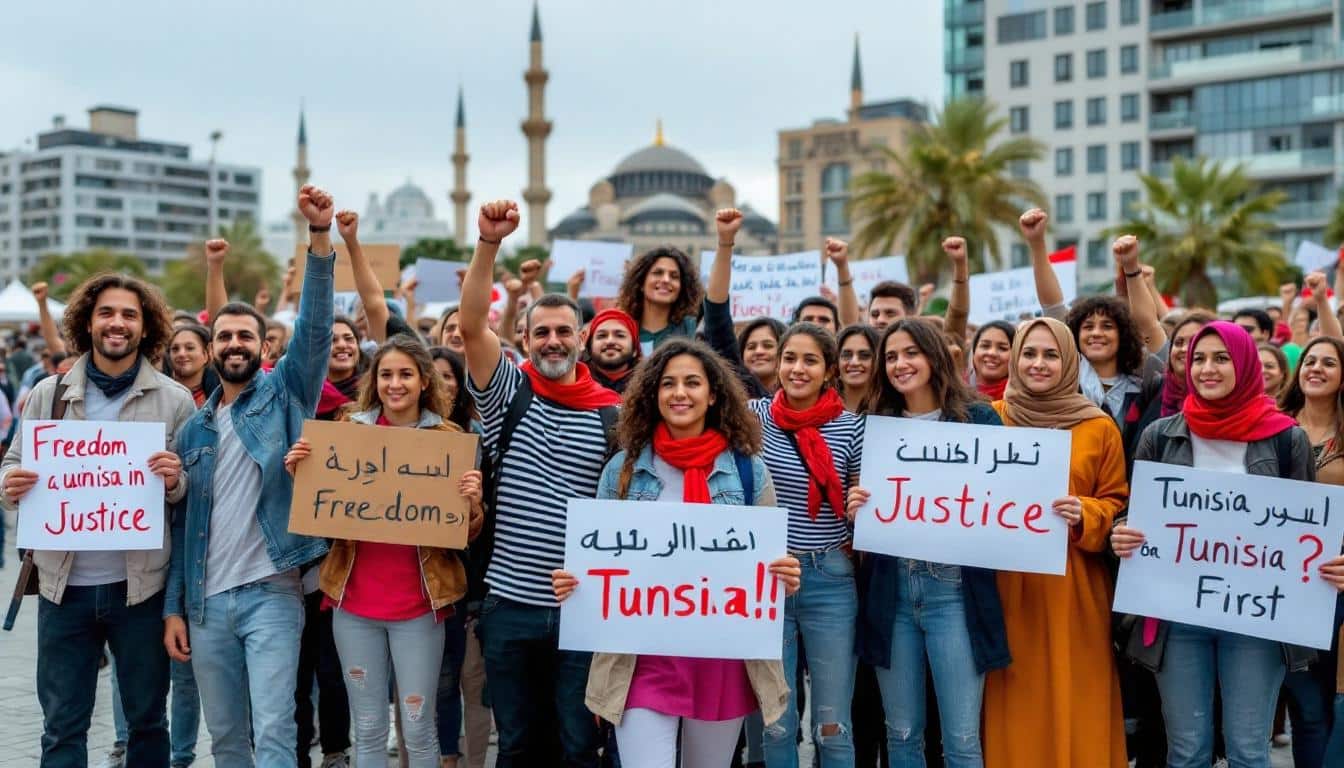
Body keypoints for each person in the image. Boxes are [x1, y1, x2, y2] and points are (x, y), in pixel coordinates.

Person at [551, 338, 802, 768]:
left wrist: (785, 575)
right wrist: (576, 583)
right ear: (654, 394)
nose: (679, 393)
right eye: (668, 384)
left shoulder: (746, 469)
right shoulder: (623, 470)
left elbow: (770, 563)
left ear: (713, 394)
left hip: (721, 659)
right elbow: (599, 560)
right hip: (640, 659)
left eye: (692, 383)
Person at [163, 184, 337, 767]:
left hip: (272, 595)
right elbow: (182, 527)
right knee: (229, 738)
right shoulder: (192, 432)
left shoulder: (285, 395)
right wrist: (174, 608)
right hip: (206, 605)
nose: (234, 345)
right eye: (224, 337)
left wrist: (319, 240)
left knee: (275, 729)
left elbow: (314, 330)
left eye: (245, 336)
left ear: (262, 347)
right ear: (210, 348)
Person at [1, 270, 194, 766]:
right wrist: (10, 484)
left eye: (129, 314)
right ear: (87, 322)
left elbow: (196, 494)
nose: (117, 323)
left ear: (145, 327)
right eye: (106, 312)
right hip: (62, 591)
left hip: (141, 592)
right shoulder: (48, 393)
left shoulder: (174, 401)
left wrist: (176, 481)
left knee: (148, 722)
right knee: (62, 727)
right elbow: (13, 462)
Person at [1112, 321, 1324, 768]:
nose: (1208, 369)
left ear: (1245, 364)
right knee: (1187, 752)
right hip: (1176, 617)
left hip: (1256, 618)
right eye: (1200, 359)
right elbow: (1140, 512)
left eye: (1222, 358)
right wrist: (1124, 530)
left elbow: (1308, 531)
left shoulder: (1287, 440)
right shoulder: (1160, 435)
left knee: (1248, 751)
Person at [458, 199, 620, 765]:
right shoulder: (509, 395)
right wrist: (488, 244)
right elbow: (472, 324)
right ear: (524, 342)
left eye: (564, 331)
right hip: (510, 607)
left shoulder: (613, 414)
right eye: (542, 332)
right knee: (519, 744)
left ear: (582, 339)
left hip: (583, 606)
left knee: (579, 745)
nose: (553, 341)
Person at [284, 336, 485, 768]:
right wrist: (301, 473)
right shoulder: (348, 430)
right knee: (370, 726)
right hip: (354, 604)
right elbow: (318, 512)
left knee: (418, 727)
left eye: (405, 374)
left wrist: (472, 504)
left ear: (423, 381)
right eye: (387, 375)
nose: (395, 384)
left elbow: (466, 533)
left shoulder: (450, 439)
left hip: (419, 606)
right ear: (374, 382)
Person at [846, 319, 1009, 768]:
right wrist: (857, 506)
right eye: (892, 356)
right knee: (901, 736)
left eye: (911, 352)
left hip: (954, 593)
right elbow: (864, 507)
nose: (901, 364)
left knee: (960, 739)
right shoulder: (875, 424)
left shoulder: (978, 419)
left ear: (935, 356)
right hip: (890, 591)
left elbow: (1002, 504)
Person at [982, 317, 1129, 768]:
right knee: (1012, 695)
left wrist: (1086, 512)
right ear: (1015, 359)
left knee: (1075, 692)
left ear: (1069, 362)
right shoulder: (990, 419)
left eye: (1051, 355)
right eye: (1029, 353)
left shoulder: (1098, 426)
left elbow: (1117, 501)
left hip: (1074, 589)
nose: (1038, 364)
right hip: (1007, 587)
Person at [750, 322, 863, 767]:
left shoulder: (852, 428)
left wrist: (861, 506)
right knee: (777, 719)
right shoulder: (751, 417)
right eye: (790, 359)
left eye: (810, 360)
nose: (798, 369)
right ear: (777, 365)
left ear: (829, 370)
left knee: (833, 724)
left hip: (830, 580)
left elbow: (861, 504)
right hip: (768, 580)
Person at [1275, 334, 1344, 768]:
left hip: (1335, 588)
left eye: (1329, 363)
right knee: (1303, 704)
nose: (1315, 368)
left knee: (1323, 704)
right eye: (1310, 361)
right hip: (1277, 584)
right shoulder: (1272, 426)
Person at [616, 246, 703, 354]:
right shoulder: (620, 329)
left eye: (674, 276)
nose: (666, 280)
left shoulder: (690, 329)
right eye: (658, 273)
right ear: (641, 283)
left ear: (682, 288)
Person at [584, 308, 641, 394]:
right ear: (589, 348)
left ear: (635, 350)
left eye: (620, 335)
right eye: (602, 336)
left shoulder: (648, 383)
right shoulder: (574, 379)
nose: (610, 341)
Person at [166, 324, 220, 407]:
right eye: (175, 349)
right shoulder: (160, 395)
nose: (181, 354)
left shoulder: (220, 398)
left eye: (189, 348)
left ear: (206, 355)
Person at [836, 325, 879, 414]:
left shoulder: (894, 410)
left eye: (864, 355)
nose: (854, 362)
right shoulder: (819, 405)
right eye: (847, 355)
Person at [967, 322, 1014, 401]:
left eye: (1002, 348)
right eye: (985, 346)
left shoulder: (1025, 399)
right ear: (974, 351)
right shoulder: (954, 390)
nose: (992, 353)